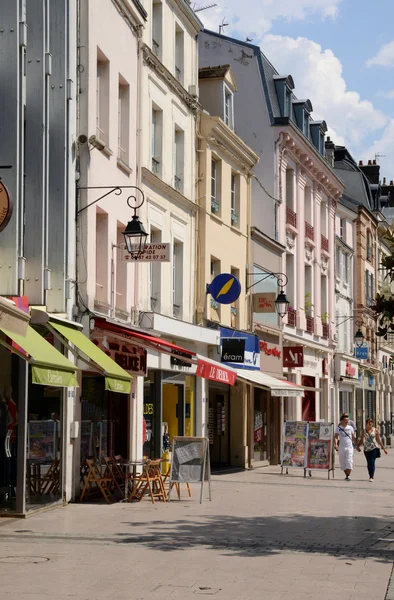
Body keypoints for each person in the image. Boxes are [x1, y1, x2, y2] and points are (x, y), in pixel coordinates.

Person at [335, 413, 360, 480]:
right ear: (342, 421)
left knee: (349, 460)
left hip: (349, 447)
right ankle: (346, 474)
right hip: (341, 447)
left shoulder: (350, 428)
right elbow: (336, 437)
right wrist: (336, 444)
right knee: (342, 461)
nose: (347, 422)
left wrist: (357, 445)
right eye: (345, 420)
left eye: (347, 420)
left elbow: (353, 437)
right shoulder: (338, 428)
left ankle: (348, 475)